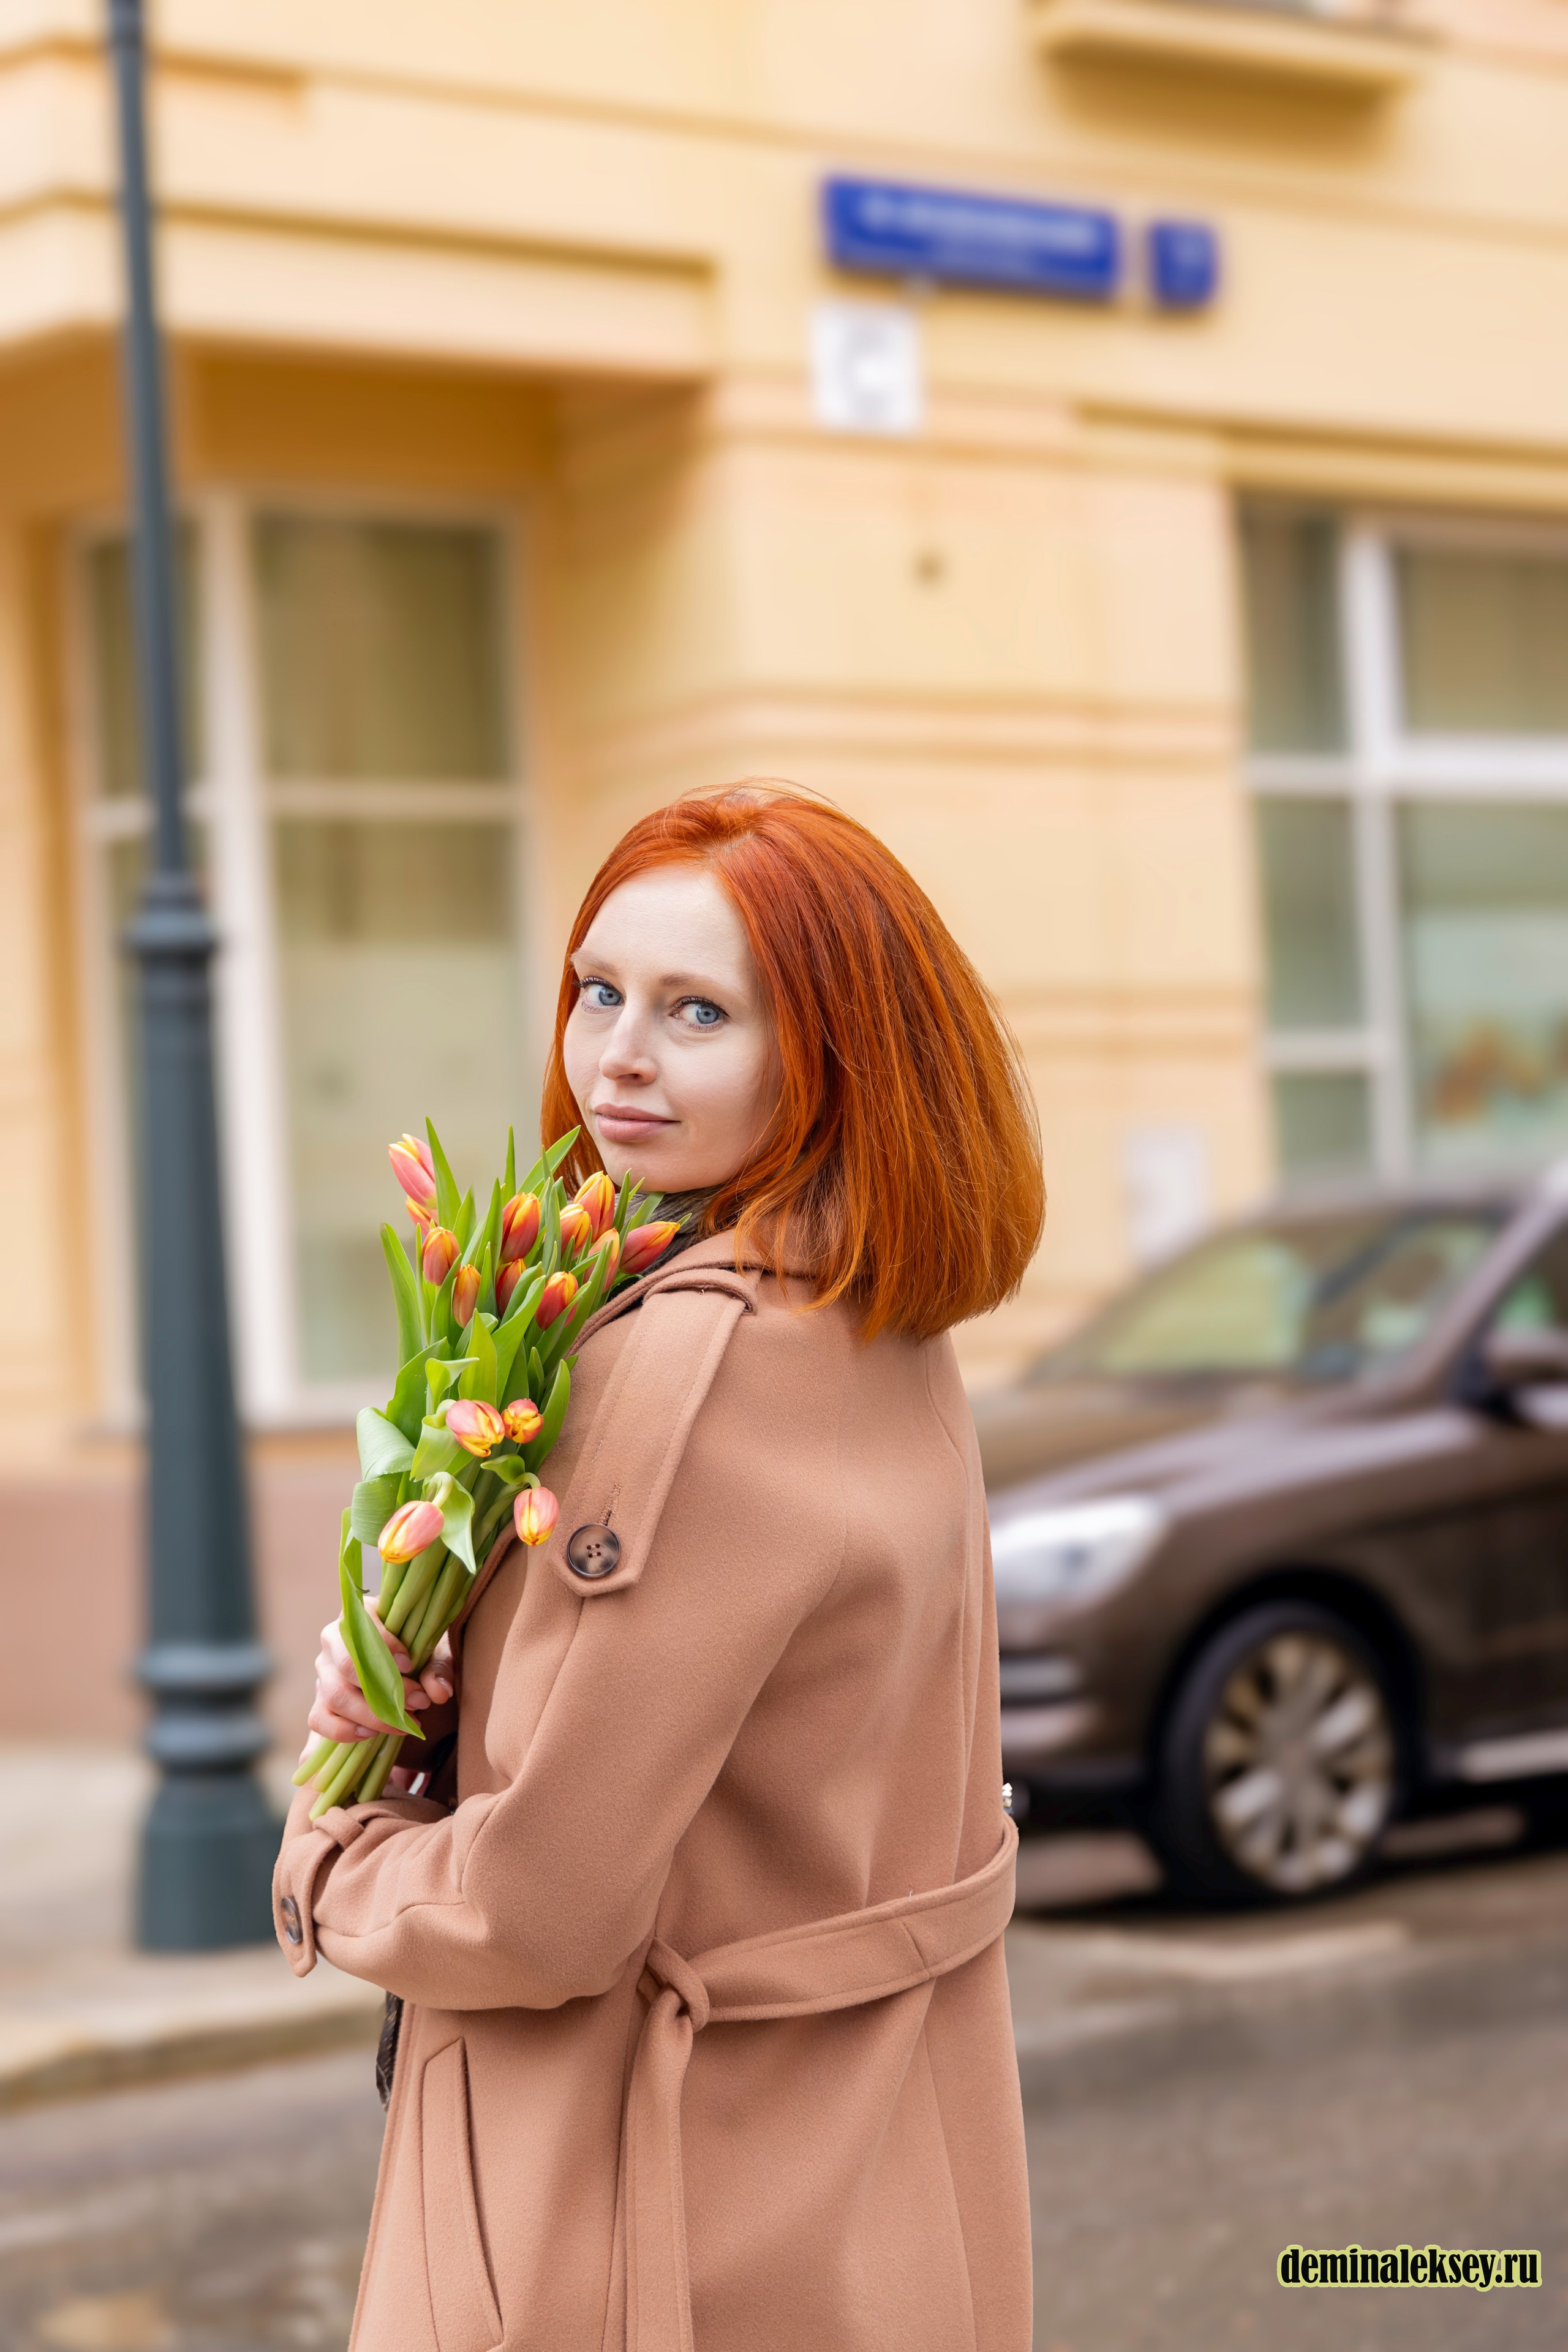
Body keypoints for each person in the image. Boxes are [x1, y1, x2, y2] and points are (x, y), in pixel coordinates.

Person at [274, 785, 1045, 2352]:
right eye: (599, 991)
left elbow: (537, 1910)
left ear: (830, 1056)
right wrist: (450, 1703)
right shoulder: (872, 1314)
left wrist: (332, 1849)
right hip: (878, 2175)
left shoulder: (688, 1363)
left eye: (698, 1012)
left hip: (649, 2212)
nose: (618, 1053)